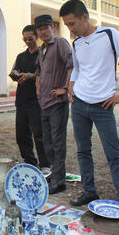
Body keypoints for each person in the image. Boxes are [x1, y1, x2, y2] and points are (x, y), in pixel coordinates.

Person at [60, 0, 119, 206]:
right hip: (79, 103)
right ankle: (89, 191)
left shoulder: (109, 34)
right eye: (67, 25)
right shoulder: (76, 43)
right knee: (83, 150)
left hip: (102, 105)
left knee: (112, 153)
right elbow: (78, 68)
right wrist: (71, 86)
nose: (70, 28)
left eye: (72, 24)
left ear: (85, 17)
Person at [34, 14, 73, 195]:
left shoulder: (61, 43)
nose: (43, 32)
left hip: (58, 103)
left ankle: (59, 181)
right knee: (47, 142)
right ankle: (55, 174)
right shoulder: (41, 50)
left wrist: (65, 88)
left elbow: (71, 65)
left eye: (45, 28)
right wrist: (38, 92)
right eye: (40, 30)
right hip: (45, 103)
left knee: (57, 143)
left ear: (52, 28)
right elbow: (39, 73)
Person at [9, 25, 50, 175]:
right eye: (25, 39)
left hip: (37, 100)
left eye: (30, 39)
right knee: (21, 133)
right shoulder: (21, 56)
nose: (28, 42)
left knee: (39, 134)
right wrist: (15, 73)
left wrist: (31, 76)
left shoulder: (43, 54)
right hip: (21, 100)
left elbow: (46, 74)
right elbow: (14, 70)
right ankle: (29, 160)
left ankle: (45, 163)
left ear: (36, 37)